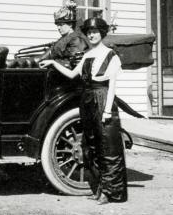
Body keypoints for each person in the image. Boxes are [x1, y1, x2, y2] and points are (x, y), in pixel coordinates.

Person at [43, 15, 128, 204]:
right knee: (90, 144)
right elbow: (73, 74)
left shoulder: (110, 55)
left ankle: (111, 192)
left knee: (107, 146)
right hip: (87, 99)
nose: (92, 36)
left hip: (103, 97)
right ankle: (97, 188)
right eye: (89, 33)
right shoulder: (87, 55)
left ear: (102, 34)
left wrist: (107, 111)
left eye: (95, 32)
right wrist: (53, 63)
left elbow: (111, 85)